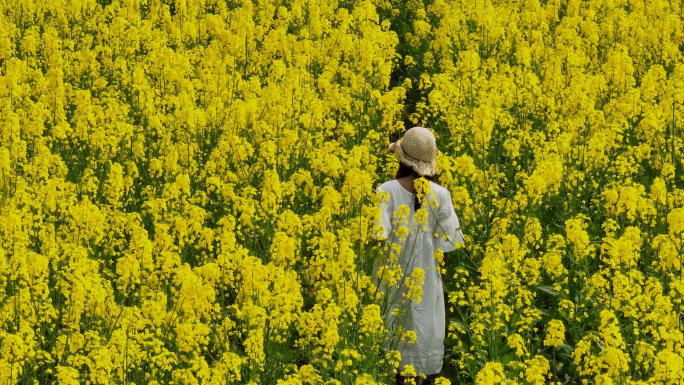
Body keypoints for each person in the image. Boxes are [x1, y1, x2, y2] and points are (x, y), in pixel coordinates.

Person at [372, 126, 465, 384]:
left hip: (391, 279)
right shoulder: (442, 195)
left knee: (391, 334)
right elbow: (448, 246)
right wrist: (439, 283)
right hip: (426, 280)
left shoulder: (386, 191)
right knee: (423, 332)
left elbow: (377, 239)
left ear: (401, 158)